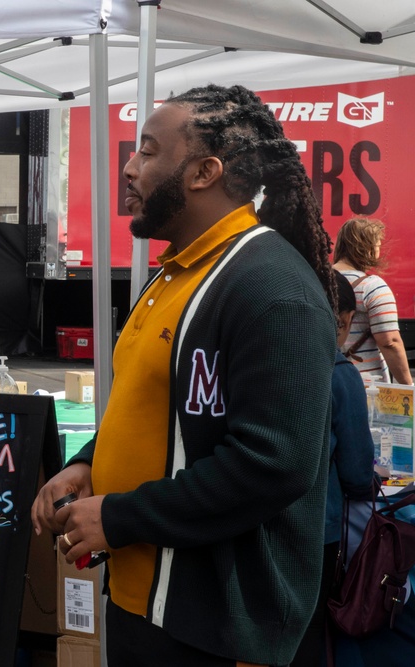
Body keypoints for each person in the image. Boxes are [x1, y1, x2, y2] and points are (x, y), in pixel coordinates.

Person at [31, 84, 339, 666]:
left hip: (215, 627)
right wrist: (88, 462)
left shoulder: (272, 289)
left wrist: (121, 516)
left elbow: (273, 465)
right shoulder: (173, 274)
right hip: (141, 605)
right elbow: (156, 406)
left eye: (147, 151)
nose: (129, 168)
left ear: (204, 171)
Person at [290, 270, 378, 667]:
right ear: (340, 321)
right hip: (316, 531)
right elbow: (358, 475)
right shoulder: (341, 375)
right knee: (310, 632)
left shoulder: (269, 360)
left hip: (254, 520)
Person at [332, 217, 412, 385]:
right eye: (377, 246)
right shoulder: (372, 287)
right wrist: (408, 387)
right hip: (365, 387)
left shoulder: (318, 280)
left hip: (324, 382)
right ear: (366, 248)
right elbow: (390, 342)